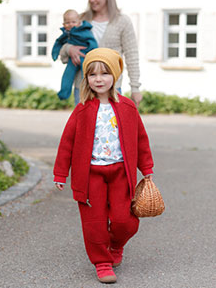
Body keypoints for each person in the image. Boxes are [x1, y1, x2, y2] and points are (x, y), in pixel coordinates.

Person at [53, 48, 154, 283]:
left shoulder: (128, 108)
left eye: (104, 73)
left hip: (120, 173)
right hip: (90, 176)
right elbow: (66, 143)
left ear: (115, 76)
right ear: (86, 78)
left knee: (124, 220)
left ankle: (116, 244)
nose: (98, 79)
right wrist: (60, 173)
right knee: (94, 223)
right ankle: (102, 262)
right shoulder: (82, 110)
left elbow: (141, 140)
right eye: (92, 75)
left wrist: (146, 169)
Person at [59, 0, 143, 106]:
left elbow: (132, 56)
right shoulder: (80, 20)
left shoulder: (122, 21)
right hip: (83, 88)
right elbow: (61, 46)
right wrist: (68, 49)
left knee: (111, 125)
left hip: (112, 88)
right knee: (84, 126)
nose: (92, 0)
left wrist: (135, 88)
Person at [52, 9, 98, 100]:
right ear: (64, 25)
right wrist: (55, 54)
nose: (71, 24)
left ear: (79, 22)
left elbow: (92, 41)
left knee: (86, 74)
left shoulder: (83, 31)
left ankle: (90, 89)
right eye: (67, 22)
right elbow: (58, 42)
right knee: (67, 75)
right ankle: (64, 92)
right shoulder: (67, 34)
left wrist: (92, 53)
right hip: (72, 60)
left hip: (85, 56)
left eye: (73, 22)